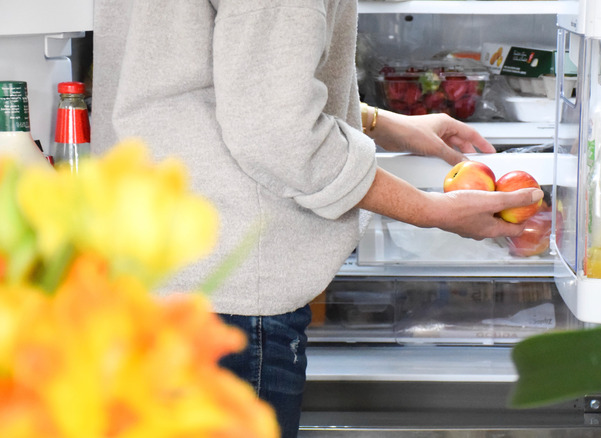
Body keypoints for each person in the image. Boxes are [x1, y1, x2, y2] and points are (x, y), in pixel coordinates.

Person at [91, 1, 543, 437]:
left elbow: (207, 64)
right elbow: (278, 133)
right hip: (231, 289)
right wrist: (429, 211)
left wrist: (372, 120)